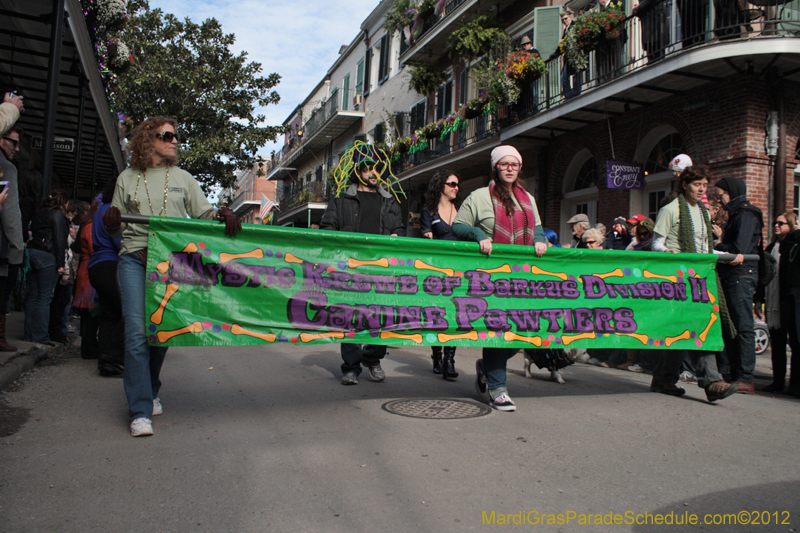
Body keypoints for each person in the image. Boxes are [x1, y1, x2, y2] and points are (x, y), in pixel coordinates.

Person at [102, 116, 242, 437]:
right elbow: (116, 226)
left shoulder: (183, 178)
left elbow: (204, 213)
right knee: (137, 333)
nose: (174, 141)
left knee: (161, 331)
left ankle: (151, 388)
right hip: (134, 260)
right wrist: (111, 222)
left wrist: (225, 213)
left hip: (171, 263)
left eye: (176, 136)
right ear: (148, 139)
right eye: (167, 135)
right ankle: (140, 410)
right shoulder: (126, 178)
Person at [452, 145, 547, 412]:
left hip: (523, 277)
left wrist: (540, 241)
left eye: (514, 165)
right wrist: (478, 235)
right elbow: (458, 225)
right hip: (491, 278)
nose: (509, 169)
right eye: (504, 164)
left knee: (520, 332)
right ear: (496, 167)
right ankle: (498, 388)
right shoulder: (480, 196)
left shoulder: (527, 198)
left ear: (519, 168)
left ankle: (486, 367)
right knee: (498, 330)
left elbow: (537, 228)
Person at [320, 143, 406, 386]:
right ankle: (351, 367)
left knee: (382, 318)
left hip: (381, 272)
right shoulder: (341, 199)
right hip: (351, 270)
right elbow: (327, 228)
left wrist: (397, 236)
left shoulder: (390, 201)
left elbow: (399, 228)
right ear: (357, 169)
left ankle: (373, 358)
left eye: (377, 168)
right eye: (368, 167)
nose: (373, 172)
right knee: (350, 318)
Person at [650, 165, 738, 401]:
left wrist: (729, 257)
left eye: (705, 186)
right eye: (697, 185)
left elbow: (706, 250)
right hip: (677, 280)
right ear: (685, 185)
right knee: (698, 326)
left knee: (682, 329)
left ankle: (664, 378)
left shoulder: (703, 212)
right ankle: (711, 381)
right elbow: (656, 244)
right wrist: (667, 251)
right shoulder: (670, 210)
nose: (702, 190)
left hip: (700, 279)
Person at [712, 177, 763, 395]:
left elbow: (740, 248)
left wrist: (718, 243)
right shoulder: (737, 214)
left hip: (742, 274)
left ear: (731, 192)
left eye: (721, 193)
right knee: (731, 325)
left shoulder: (746, 214)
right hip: (733, 274)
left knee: (743, 326)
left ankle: (745, 377)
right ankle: (734, 373)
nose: (719, 198)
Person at [420, 169, 461, 379]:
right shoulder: (429, 210)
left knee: (454, 314)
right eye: (452, 184)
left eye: (457, 185)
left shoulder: (461, 211)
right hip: (436, 271)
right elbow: (427, 240)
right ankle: (436, 354)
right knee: (437, 314)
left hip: (458, 272)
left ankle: (450, 360)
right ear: (441, 186)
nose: (456, 188)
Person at [755, 211, 797, 394]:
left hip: (788, 301)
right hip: (773, 302)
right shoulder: (771, 246)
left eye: (781, 223)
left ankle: (794, 384)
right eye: (775, 223)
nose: (776, 226)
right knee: (777, 344)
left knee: (795, 344)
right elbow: (764, 275)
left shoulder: (795, 246)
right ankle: (778, 381)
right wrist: (759, 298)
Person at [88, 180, 124, 377]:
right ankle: (113, 357)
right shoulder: (112, 211)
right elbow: (119, 242)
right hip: (111, 265)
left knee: (110, 315)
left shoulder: (100, 209)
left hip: (97, 265)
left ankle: (106, 362)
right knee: (126, 312)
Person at [25, 189, 69, 346]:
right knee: (45, 297)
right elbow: (59, 240)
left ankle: (29, 334)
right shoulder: (57, 215)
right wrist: (60, 264)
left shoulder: (40, 213)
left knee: (33, 296)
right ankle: (40, 336)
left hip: (32, 253)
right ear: (64, 203)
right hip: (47, 256)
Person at [0, 126, 24, 351]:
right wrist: (18, 247)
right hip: (3, 247)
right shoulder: (6, 168)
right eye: (12, 142)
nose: (16, 148)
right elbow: (10, 213)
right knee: (2, 295)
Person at [72, 201, 100, 361]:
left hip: (86, 268)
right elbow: (93, 248)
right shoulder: (90, 227)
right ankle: (89, 348)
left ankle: (88, 346)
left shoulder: (86, 225)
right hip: (89, 271)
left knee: (88, 312)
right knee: (91, 312)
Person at [778, 217, 800, 397]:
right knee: (796, 342)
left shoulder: (793, 242)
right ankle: (794, 385)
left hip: (793, 295)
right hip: (793, 295)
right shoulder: (792, 243)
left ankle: (795, 384)